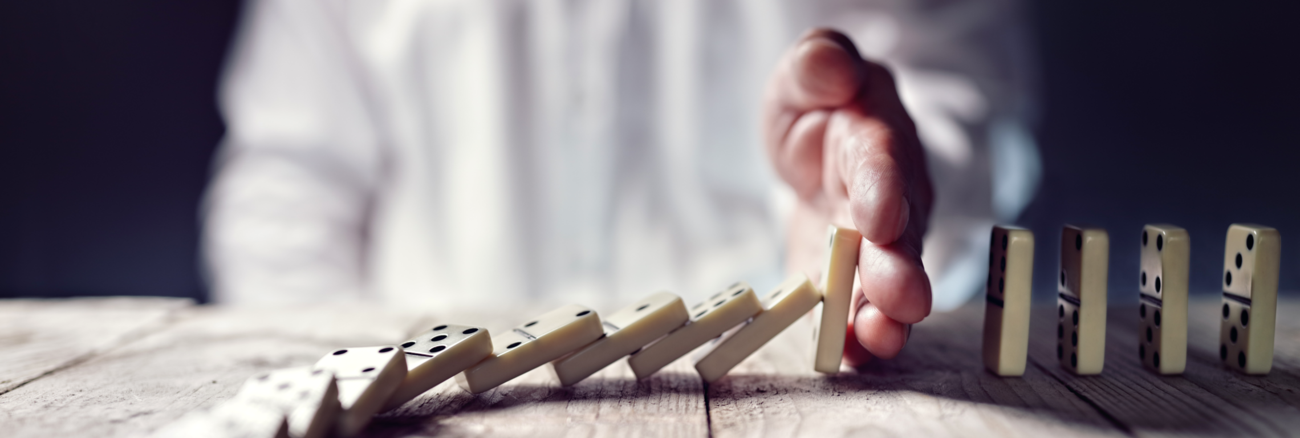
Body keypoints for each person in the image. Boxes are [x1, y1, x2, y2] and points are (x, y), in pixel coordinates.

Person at [203, 0, 1039, 364]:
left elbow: (966, 100)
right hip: (422, 394)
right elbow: (287, 189)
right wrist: (355, 392)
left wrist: (897, 194)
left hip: (770, 382)